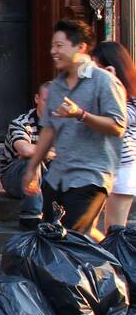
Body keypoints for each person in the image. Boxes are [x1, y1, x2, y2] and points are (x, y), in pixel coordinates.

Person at [24, 19, 126, 240]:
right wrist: (32, 168)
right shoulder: (57, 86)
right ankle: (110, 269)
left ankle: (112, 269)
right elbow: (49, 130)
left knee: (70, 239)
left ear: (81, 47)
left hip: (91, 175)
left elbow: (117, 126)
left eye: (60, 46)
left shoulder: (104, 81)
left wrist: (81, 114)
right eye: (52, 46)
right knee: (50, 237)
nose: (53, 51)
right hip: (59, 175)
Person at [91, 40, 136, 230]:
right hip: (99, 167)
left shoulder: (130, 99)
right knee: (85, 229)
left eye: (98, 70)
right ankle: (106, 259)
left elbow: (118, 121)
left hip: (123, 168)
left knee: (114, 232)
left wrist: (112, 85)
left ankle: (115, 260)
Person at [0, 83, 52, 229]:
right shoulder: (22, 122)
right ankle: (31, 219)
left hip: (47, 177)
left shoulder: (64, 125)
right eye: (46, 101)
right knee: (32, 161)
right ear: (37, 98)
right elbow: (25, 150)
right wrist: (51, 152)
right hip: (14, 177)